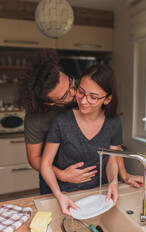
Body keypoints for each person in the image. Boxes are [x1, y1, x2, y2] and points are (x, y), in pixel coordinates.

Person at [15, 50, 143, 195]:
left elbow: (113, 148)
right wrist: (61, 175)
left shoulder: (83, 89)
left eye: (71, 83)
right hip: (54, 173)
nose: (76, 94)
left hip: (92, 180)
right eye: (66, 95)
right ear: (49, 104)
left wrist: (124, 175)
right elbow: (35, 159)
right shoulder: (37, 119)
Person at [40, 63, 132, 216]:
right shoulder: (61, 121)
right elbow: (45, 164)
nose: (83, 101)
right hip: (67, 195)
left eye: (93, 97)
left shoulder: (114, 123)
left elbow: (112, 161)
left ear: (107, 100)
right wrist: (58, 194)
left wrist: (113, 183)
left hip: (99, 195)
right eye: (81, 92)